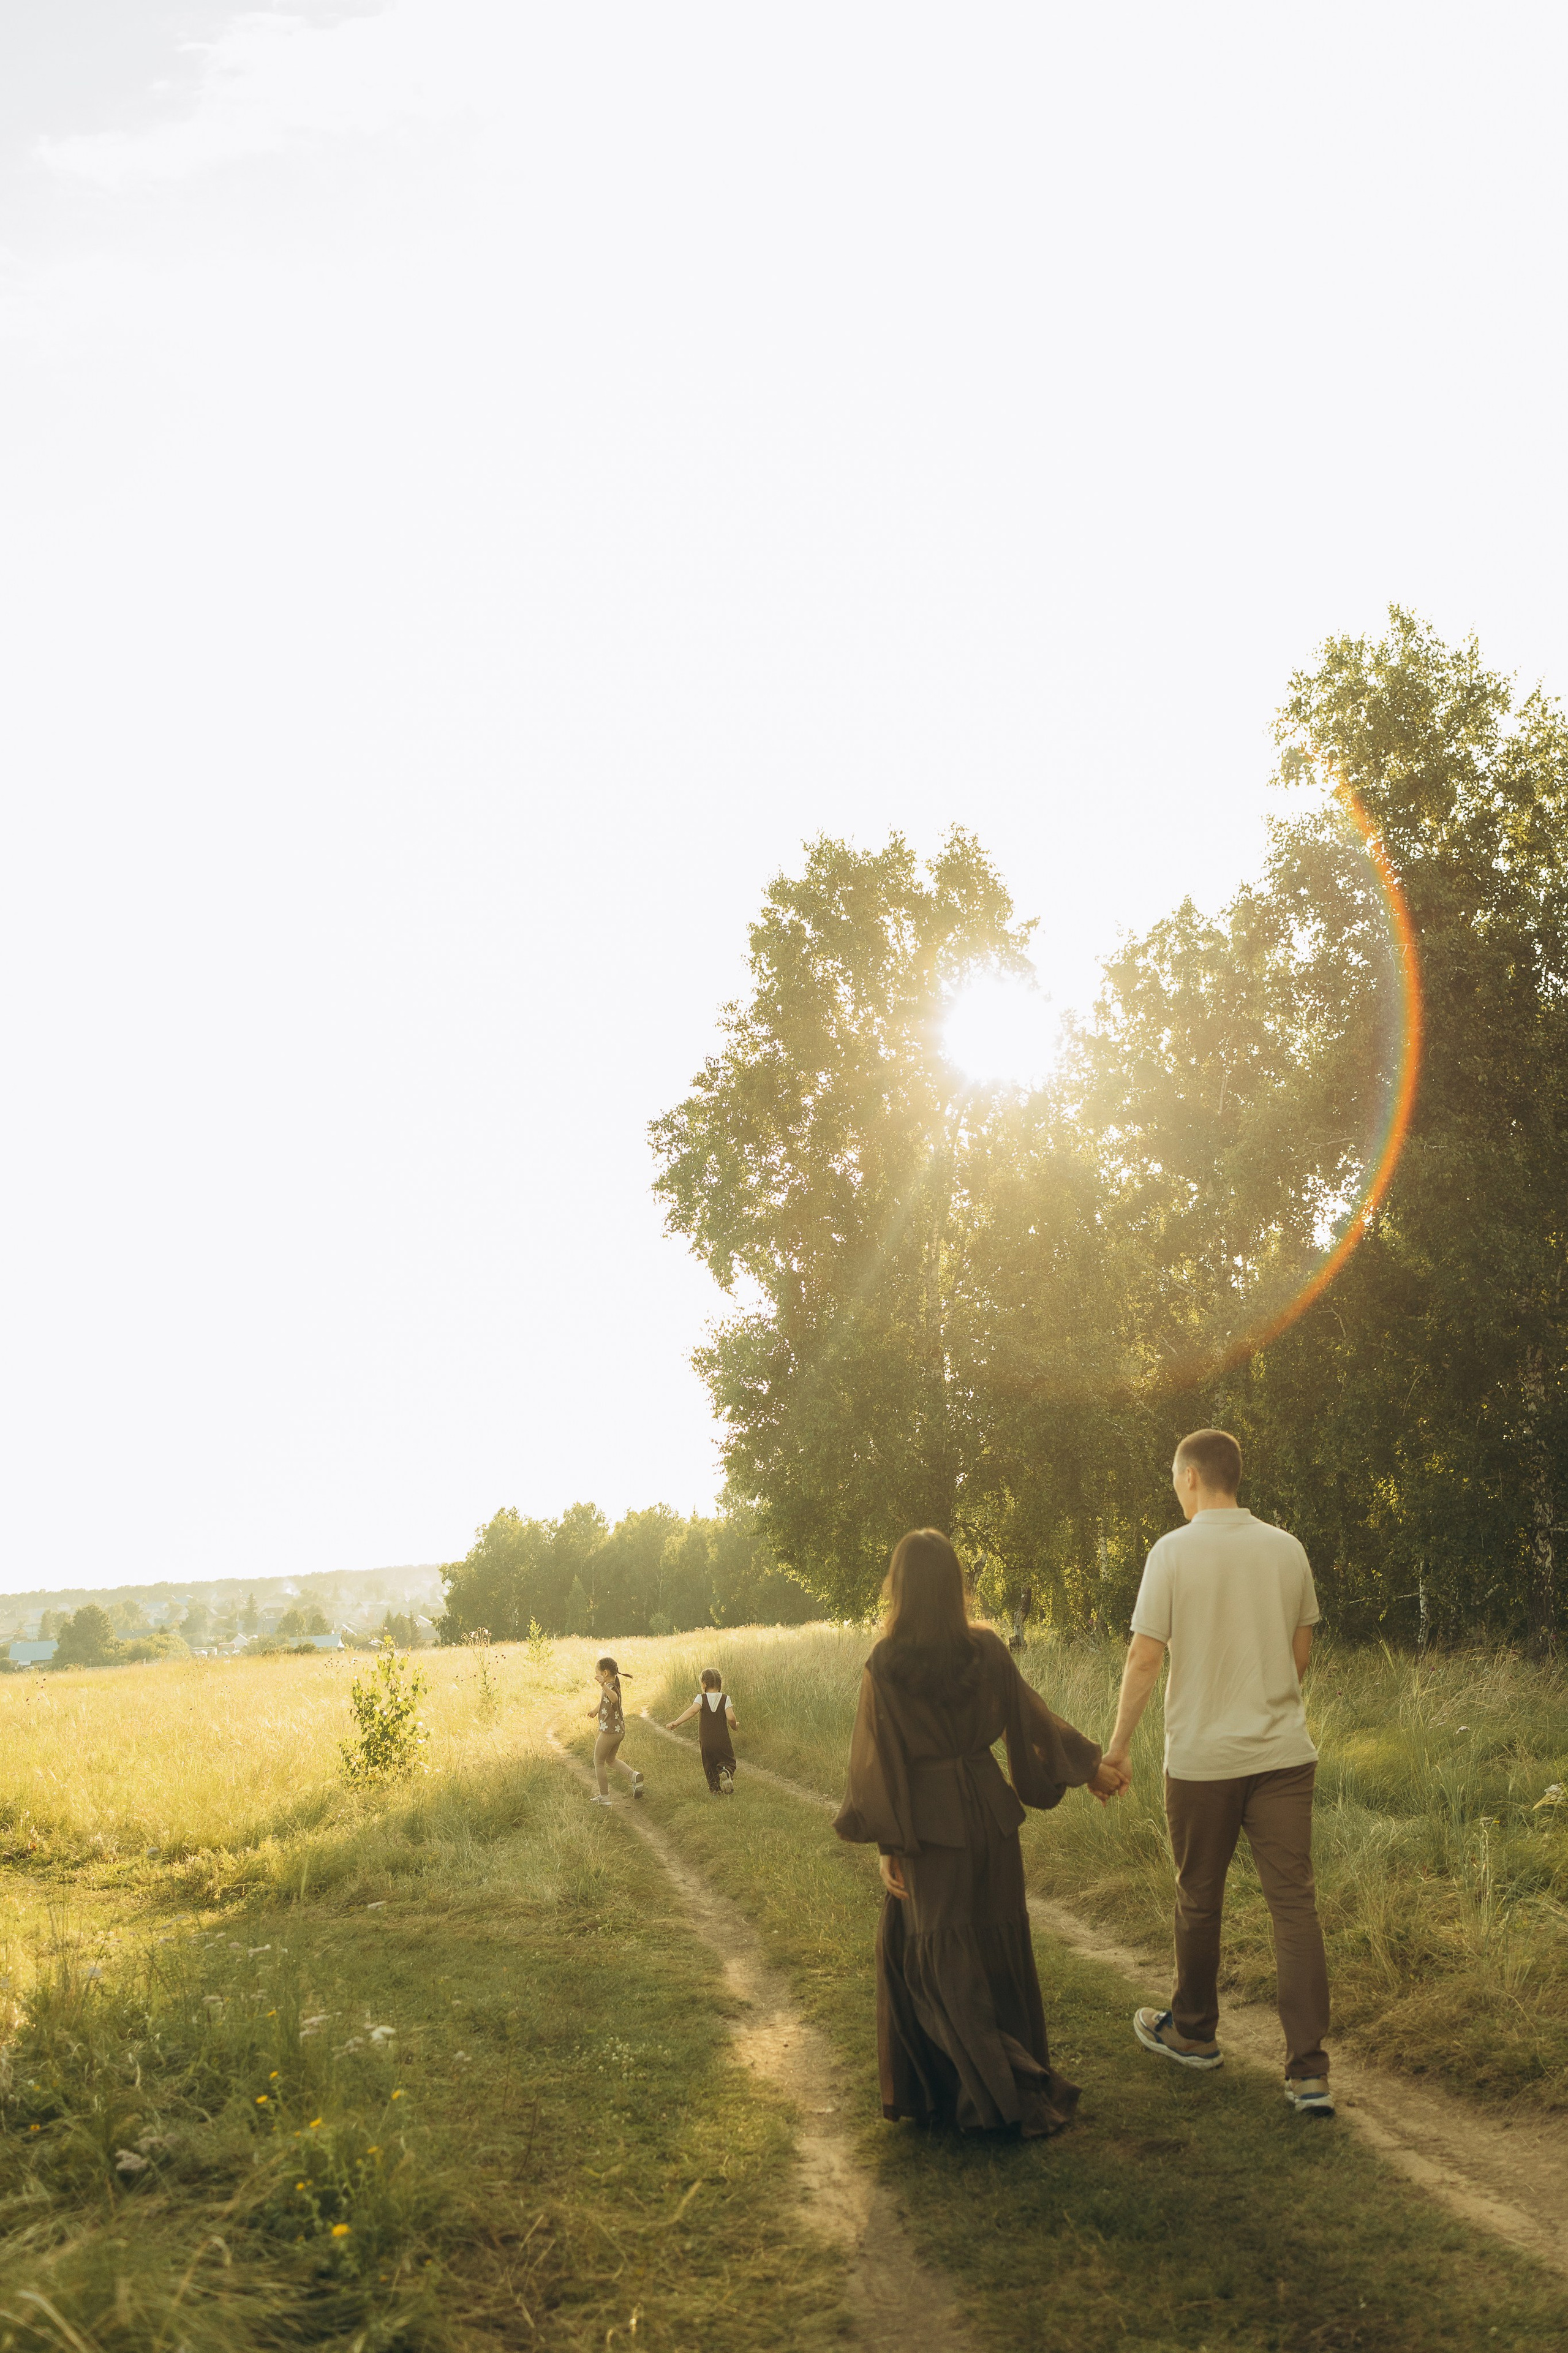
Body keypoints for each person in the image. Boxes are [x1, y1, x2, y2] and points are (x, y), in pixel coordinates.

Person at [834, 1528, 1128, 2139]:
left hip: (930, 1830)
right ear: (955, 1587)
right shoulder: (987, 1648)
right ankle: (990, 2086)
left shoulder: (885, 1663)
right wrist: (1089, 1769)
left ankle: (1000, 2091)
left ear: (900, 1587)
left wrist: (891, 1843)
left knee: (936, 1963)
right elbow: (1031, 1718)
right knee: (987, 1954)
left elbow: (878, 1761)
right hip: (990, 1820)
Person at [1102, 1428, 1333, 2117]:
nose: (1177, 1491)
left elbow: (1145, 1659)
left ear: (1194, 1477)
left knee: (1198, 1897)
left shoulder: (1172, 1551)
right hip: (1284, 1757)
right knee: (1293, 1906)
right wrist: (1261, 1700)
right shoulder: (1286, 1548)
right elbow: (1300, 1651)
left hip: (1203, 1762)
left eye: (1177, 1480)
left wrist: (1116, 1751)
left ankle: (1195, 2035)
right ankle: (1308, 2075)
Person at [666, 1669, 740, 1794]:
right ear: (720, 1684)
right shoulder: (725, 1698)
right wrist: (735, 1726)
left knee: (709, 1765)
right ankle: (726, 1771)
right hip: (722, 1740)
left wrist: (676, 1722)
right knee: (729, 1760)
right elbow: (731, 1718)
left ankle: (715, 1791)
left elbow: (692, 1711)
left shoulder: (701, 1698)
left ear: (704, 1684)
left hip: (706, 1741)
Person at [587, 1655, 644, 1805]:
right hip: (619, 1730)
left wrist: (603, 1686)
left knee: (598, 1761)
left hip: (610, 1731)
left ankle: (604, 1797)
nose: (596, 1675)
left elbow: (613, 1699)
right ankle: (633, 1776)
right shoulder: (613, 1686)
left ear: (605, 1673)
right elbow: (605, 1701)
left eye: (597, 1672)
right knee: (610, 1760)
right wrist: (595, 1710)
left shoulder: (610, 1687)